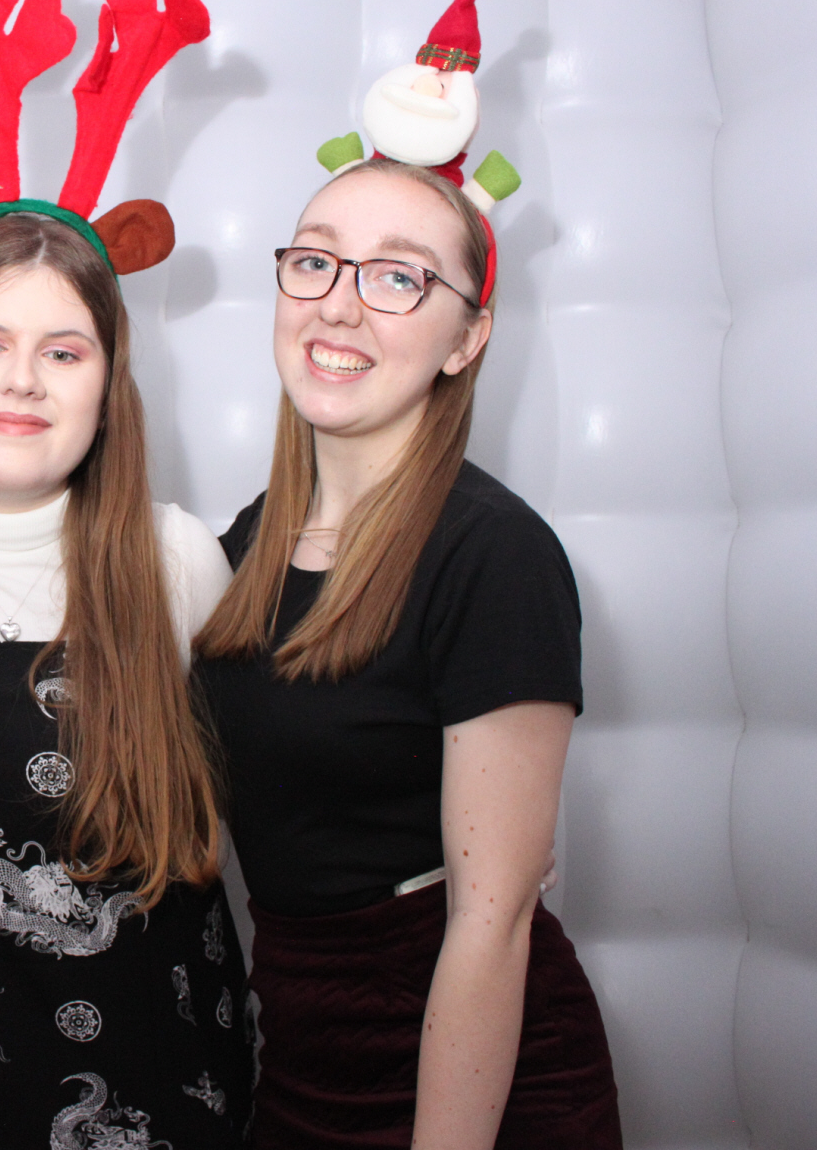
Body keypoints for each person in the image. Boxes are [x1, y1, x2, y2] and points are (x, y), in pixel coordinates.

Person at [193, 157, 620, 1148]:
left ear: (468, 338)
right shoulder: (247, 545)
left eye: (398, 276)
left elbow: (492, 921)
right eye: (316, 262)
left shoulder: (494, 554)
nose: (340, 306)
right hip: (302, 1052)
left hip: (468, 1070)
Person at [0, 211, 251, 1149]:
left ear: (109, 389)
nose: (23, 379)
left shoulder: (175, 560)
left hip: (170, 1092)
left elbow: (285, 796)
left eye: (65, 353)